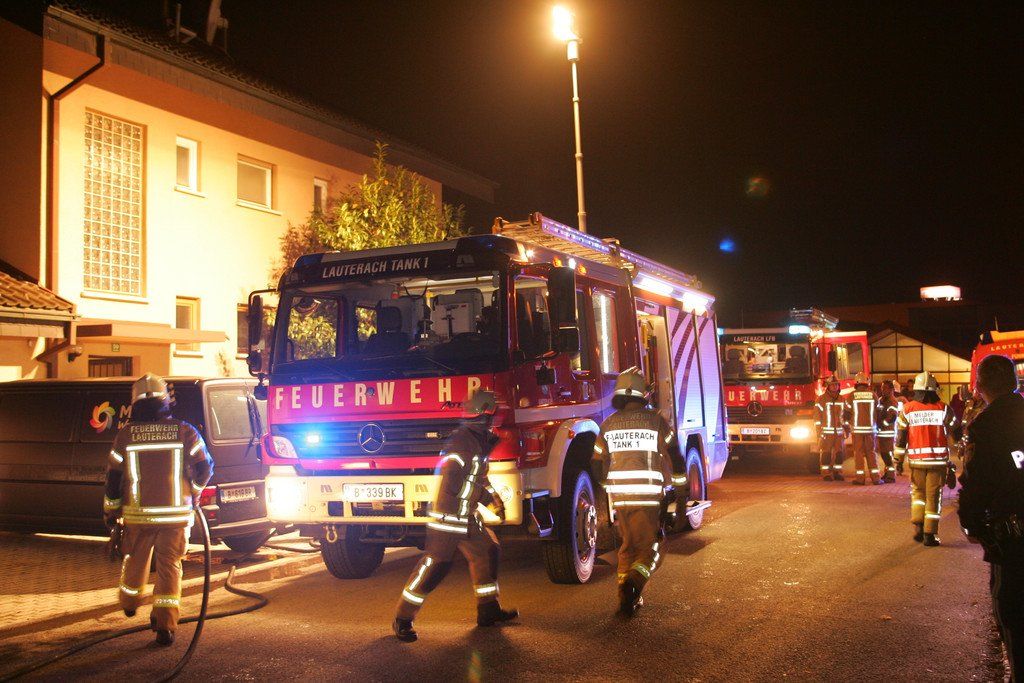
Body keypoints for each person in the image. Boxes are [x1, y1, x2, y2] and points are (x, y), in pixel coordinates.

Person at [393, 390, 517, 642]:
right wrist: (484, 498)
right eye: (492, 415)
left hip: (467, 516)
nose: (495, 420)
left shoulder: (480, 440)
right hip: (448, 519)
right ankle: (402, 619)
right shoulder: (462, 442)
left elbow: (479, 477)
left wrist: (495, 500)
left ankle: (488, 610)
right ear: (484, 416)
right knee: (435, 567)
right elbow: (454, 482)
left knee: (488, 551)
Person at [103, 373, 213, 646]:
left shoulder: (125, 436)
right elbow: (205, 468)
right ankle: (165, 625)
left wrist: (111, 511)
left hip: (138, 517)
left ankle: (129, 602)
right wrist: (195, 492)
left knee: (134, 560)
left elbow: (113, 479)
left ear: (135, 403)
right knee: (170, 567)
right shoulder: (185, 431)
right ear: (166, 400)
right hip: (176, 517)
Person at [592, 368, 681, 615]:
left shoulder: (608, 424)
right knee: (652, 547)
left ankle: (626, 597)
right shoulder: (655, 420)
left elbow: (597, 463)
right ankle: (634, 583)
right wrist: (679, 487)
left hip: (620, 499)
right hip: (648, 497)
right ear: (643, 393)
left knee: (628, 547)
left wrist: (607, 487)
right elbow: (674, 454)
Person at [958, 355, 1024, 681]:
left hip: (1013, 540)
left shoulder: (985, 426)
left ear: (980, 385)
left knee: (1013, 612)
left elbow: (977, 483)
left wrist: (972, 524)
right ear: (1015, 382)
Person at [894, 371, 956, 546]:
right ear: (934, 389)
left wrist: (898, 461)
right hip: (937, 462)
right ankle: (930, 534)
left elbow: (901, 439)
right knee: (933, 496)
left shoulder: (907, 409)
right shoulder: (944, 408)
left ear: (916, 389)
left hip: (916, 462)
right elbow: (955, 429)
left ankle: (918, 525)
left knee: (918, 494)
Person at [846, 373, 881, 485]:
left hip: (857, 431)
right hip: (871, 430)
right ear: (867, 382)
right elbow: (879, 411)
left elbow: (846, 413)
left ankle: (860, 479)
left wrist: (847, 425)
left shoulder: (852, 395)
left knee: (858, 454)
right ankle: (876, 478)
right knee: (871, 453)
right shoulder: (873, 395)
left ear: (856, 383)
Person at [815, 375, 847, 481]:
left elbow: (846, 415)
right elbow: (817, 417)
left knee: (839, 454)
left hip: (839, 433)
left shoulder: (842, 399)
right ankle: (826, 473)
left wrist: (846, 429)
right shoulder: (821, 399)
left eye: (836, 385)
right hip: (826, 433)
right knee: (826, 454)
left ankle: (838, 472)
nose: (834, 387)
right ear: (828, 386)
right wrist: (819, 432)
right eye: (832, 385)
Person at [875, 380, 901, 483]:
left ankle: (891, 476)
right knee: (884, 454)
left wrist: (883, 424)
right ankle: (887, 473)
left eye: (885, 388)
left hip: (888, 433)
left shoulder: (892, 401)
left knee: (887, 455)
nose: (883, 390)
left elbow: (892, 417)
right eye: (882, 388)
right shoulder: (881, 400)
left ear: (891, 389)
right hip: (881, 432)